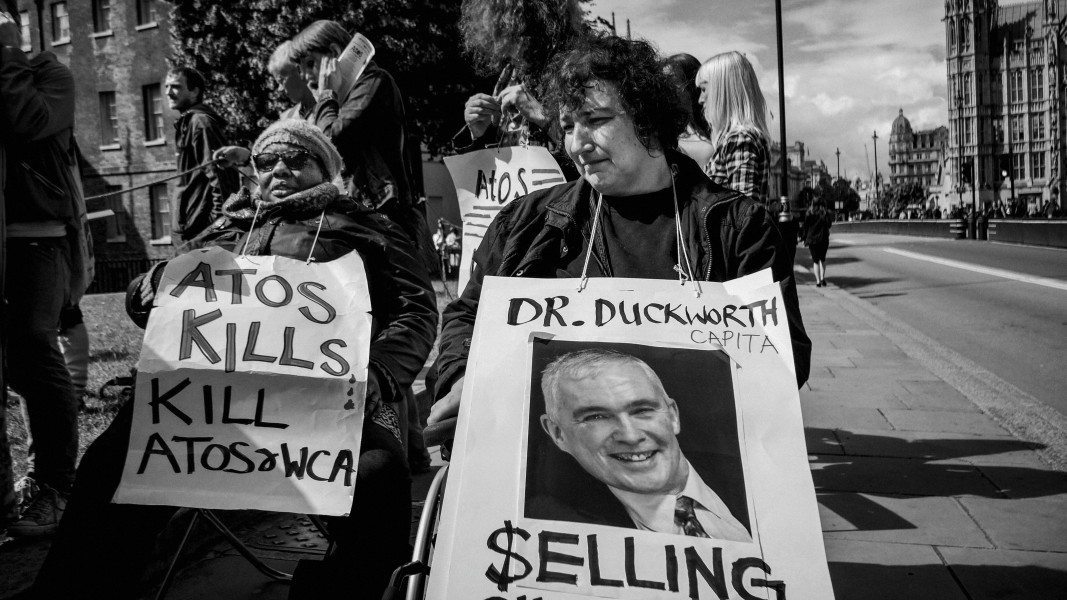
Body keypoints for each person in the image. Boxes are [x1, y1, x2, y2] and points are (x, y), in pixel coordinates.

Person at [22, 119, 439, 599]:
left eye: (295, 158)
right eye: (266, 160)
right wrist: (153, 284)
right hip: (206, 406)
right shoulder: (225, 228)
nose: (279, 168)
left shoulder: (369, 228)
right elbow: (145, 302)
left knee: (378, 475)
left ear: (325, 168)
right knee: (110, 463)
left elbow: (416, 311)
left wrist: (380, 371)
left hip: (332, 402)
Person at [430, 33, 810, 428]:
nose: (577, 144)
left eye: (596, 120)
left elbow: (784, 357)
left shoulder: (736, 226)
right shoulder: (525, 222)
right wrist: (460, 376)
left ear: (647, 121)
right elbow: (467, 314)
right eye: (567, 126)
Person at [1, 10, 94, 537]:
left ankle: (57, 485)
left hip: (37, 237)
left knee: (35, 350)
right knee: (15, 361)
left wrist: (7, 53)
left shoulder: (50, 75)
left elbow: (26, 121)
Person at [533, 349, 752, 541]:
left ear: (673, 416)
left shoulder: (753, 473)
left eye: (642, 410)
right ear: (558, 434)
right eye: (596, 417)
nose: (630, 436)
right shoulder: (544, 520)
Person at [289, 20, 429, 251]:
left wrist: (326, 94)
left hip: (379, 218)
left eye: (310, 63)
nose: (304, 76)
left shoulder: (373, 82)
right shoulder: (336, 101)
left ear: (334, 53)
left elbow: (328, 142)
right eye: (299, 69)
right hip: (357, 214)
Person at [454, 0, 583, 180]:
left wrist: (541, 116)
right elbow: (493, 166)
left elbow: (589, 148)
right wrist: (479, 133)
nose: (503, 44)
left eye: (513, 33)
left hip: (562, 195)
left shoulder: (574, 70)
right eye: (499, 32)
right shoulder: (510, 73)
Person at [165, 66, 239, 248]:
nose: (168, 92)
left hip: (203, 234)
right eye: (166, 87)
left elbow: (221, 178)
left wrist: (216, 226)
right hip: (191, 232)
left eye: (176, 87)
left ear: (195, 91)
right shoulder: (187, 123)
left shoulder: (200, 123)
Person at [696, 51, 771, 206]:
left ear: (722, 90)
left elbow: (744, 212)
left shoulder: (739, 139)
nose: (700, 100)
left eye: (704, 89)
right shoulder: (741, 137)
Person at [664, 53, 714, 169]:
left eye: (671, 80)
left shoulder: (717, 127)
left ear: (691, 84)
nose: (664, 87)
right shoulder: (662, 132)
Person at [268, 40, 315, 121]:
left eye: (281, 80)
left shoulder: (332, 101)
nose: (281, 89)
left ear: (299, 70)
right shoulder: (287, 119)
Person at [804, 199, 832, 287]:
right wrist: (825, 214)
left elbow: (805, 227)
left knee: (815, 261)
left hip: (812, 240)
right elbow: (829, 224)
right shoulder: (824, 214)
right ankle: (822, 278)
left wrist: (804, 238)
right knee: (822, 259)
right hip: (823, 239)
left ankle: (818, 281)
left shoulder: (809, 214)